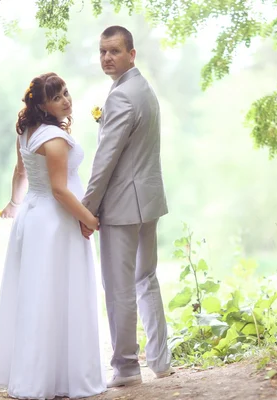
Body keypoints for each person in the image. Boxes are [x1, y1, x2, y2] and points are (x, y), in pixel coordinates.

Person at [0, 72, 107, 399]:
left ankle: (45, 376)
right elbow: (59, 191)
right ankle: (56, 378)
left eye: (66, 92)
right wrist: (90, 220)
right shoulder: (53, 139)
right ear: (41, 104)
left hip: (34, 219)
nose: (66, 100)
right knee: (57, 294)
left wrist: (15, 203)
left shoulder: (27, 132)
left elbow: (20, 171)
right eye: (57, 97)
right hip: (56, 223)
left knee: (42, 295)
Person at [80, 25, 174, 387]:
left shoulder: (121, 97)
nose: (107, 57)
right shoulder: (144, 89)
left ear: (131, 54)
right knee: (145, 278)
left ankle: (126, 367)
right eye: (103, 51)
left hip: (121, 205)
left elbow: (106, 159)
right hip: (147, 200)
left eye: (115, 51)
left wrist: (87, 209)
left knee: (120, 287)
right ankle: (161, 360)